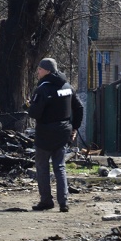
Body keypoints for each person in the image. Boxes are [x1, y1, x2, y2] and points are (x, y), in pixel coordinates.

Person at [27, 58, 84, 212]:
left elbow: (34, 113)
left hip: (45, 133)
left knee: (42, 167)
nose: (38, 72)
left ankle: (46, 201)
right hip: (63, 132)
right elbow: (79, 108)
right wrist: (74, 128)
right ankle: (63, 203)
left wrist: (29, 105)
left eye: (39, 69)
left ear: (47, 70)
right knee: (60, 167)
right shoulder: (67, 87)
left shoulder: (43, 89)